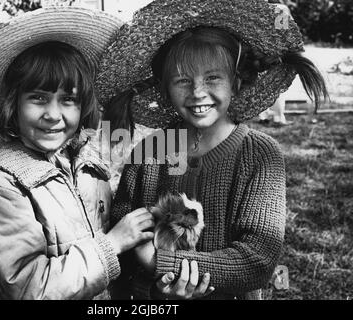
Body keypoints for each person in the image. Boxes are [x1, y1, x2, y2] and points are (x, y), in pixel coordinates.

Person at [96, 0, 328, 299]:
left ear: (236, 83)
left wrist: (160, 262)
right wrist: (155, 286)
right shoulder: (149, 152)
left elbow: (257, 259)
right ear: (165, 89)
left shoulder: (259, 154)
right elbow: (123, 238)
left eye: (212, 78)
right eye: (182, 80)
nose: (197, 93)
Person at [0, 6, 160, 300]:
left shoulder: (86, 167)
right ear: (13, 104)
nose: (53, 115)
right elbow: (28, 289)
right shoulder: (2, 190)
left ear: (83, 106)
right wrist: (112, 244)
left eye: (68, 100)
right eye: (39, 98)